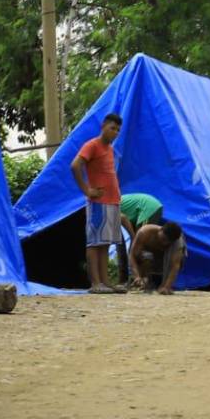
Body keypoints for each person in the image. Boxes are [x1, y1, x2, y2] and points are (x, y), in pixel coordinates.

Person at [71, 113, 125, 294]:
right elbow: (75, 165)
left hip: (112, 201)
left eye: (118, 130)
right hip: (98, 202)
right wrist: (87, 190)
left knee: (105, 242)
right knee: (94, 242)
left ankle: (105, 281)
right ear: (103, 126)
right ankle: (95, 283)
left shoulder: (110, 149)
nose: (115, 132)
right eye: (112, 128)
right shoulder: (92, 145)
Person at [129, 221, 186, 295]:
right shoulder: (144, 233)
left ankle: (163, 285)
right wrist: (137, 276)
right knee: (145, 255)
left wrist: (167, 286)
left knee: (179, 258)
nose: (164, 243)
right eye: (163, 239)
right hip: (147, 261)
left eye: (168, 242)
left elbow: (175, 265)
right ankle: (144, 281)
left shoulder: (178, 242)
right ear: (161, 229)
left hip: (163, 262)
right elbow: (132, 255)